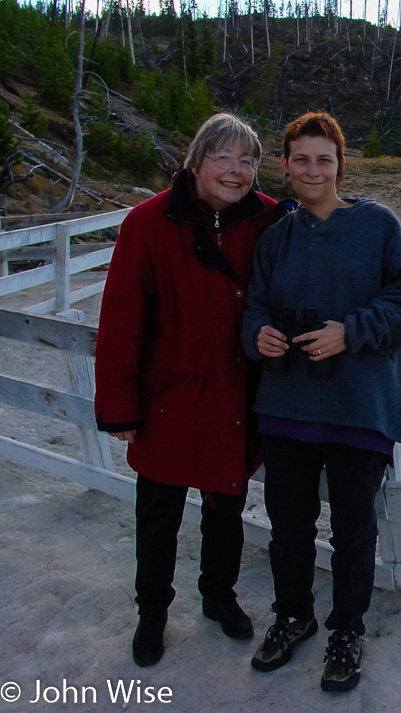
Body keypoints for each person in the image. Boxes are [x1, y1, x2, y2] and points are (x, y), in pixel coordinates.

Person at [240, 111, 401, 693]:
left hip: (359, 405)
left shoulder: (377, 226)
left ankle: (346, 632)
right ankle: (293, 616)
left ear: (340, 166)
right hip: (288, 404)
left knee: (353, 531)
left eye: (324, 159)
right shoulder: (276, 238)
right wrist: (258, 335)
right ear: (285, 166)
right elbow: (253, 307)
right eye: (301, 159)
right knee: (289, 526)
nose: (312, 169)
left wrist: (351, 332)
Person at [94, 113, 277, 667]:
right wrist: (119, 406)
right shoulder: (147, 222)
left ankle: (218, 596)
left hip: (235, 396)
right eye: (223, 157)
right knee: (158, 515)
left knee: (226, 508)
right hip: (168, 398)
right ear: (196, 162)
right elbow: (121, 321)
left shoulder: (267, 220)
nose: (236, 170)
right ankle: (152, 612)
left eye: (247, 160)